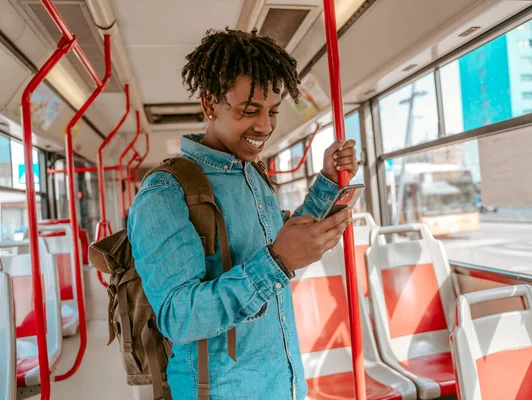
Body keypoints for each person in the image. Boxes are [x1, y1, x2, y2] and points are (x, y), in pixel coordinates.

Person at [128, 28, 359, 400]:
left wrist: (328, 182)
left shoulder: (253, 174)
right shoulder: (165, 194)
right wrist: (278, 261)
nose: (265, 126)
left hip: (284, 382)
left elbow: (281, 243)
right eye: (249, 111)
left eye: (272, 111)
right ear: (209, 104)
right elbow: (179, 316)